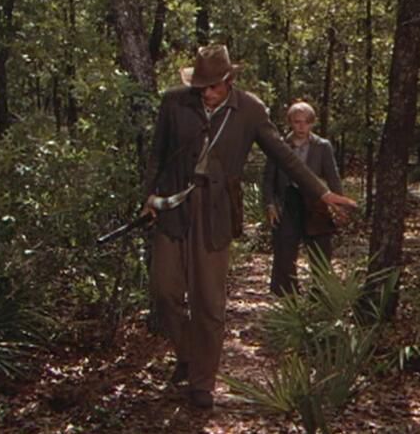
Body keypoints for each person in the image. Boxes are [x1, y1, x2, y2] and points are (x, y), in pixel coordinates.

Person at [142, 45, 356, 409]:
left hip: (216, 212)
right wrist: (148, 196)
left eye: (213, 86)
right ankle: (188, 354)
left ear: (229, 80)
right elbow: (157, 154)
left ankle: (202, 382)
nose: (206, 93)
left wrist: (321, 192)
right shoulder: (174, 102)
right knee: (165, 292)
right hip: (173, 207)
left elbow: (285, 157)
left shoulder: (250, 109)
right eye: (201, 86)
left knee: (209, 302)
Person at [263, 101, 342, 296]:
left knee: (320, 250)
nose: (301, 127)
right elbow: (268, 178)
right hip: (287, 200)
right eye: (297, 122)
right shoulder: (279, 146)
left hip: (315, 202)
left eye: (306, 122)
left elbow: (332, 176)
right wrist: (269, 204)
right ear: (290, 122)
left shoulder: (322, 146)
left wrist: (338, 203)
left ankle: (320, 294)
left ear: (312, 123)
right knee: (285, 250)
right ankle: (286, 295)